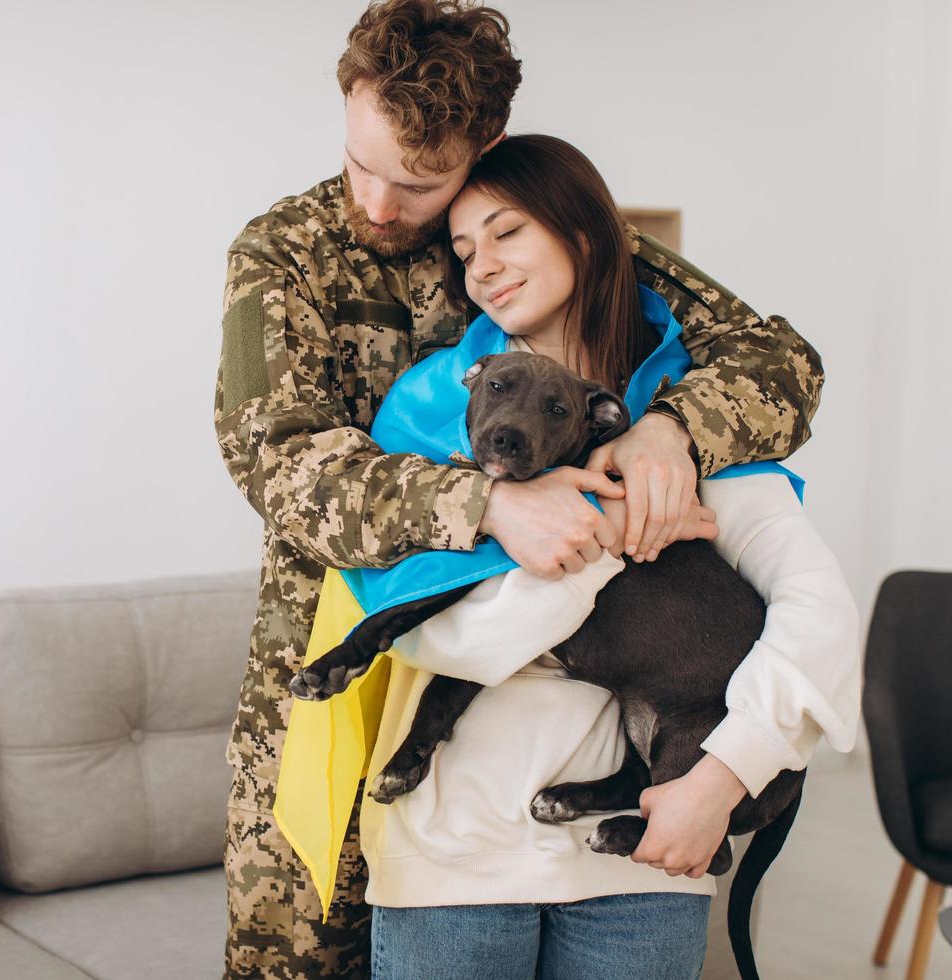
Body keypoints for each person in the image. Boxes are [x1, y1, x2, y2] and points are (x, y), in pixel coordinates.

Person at [213, 2, 824, 976]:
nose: (375, 203)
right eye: (359, 161)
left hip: (545, 719)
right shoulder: (285, 252)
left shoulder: (528, 231)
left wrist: (674, 425)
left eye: (417, 180)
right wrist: (486, 502)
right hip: (344, 656)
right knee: (299, 955)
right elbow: (271, 452)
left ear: (484, 144)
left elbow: (777, 357)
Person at [349, 133, 860, 980]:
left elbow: (822, 619)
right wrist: (594, 531)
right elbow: (415, 632)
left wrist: (721, 781)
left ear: (584, 234)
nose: (483, 266)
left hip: (647, 848)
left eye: (507, 232)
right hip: (454, 846)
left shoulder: (694, 414)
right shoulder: (431, 408)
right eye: (465, 249)